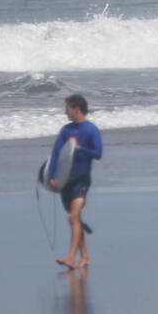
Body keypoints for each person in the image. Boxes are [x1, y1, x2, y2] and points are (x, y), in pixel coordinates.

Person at [47, 93, 103, 270]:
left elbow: (98, 154)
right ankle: (85, 257)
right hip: (65, 180)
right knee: (75, 219)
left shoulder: (91, 129)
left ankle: (71, 258)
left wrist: (79, 148)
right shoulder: (66, 130)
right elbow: (56, 154)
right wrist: (51, 177)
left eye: (67, 109)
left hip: (81, 178)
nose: (65, 112)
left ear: (76, 109)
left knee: (72, 216)